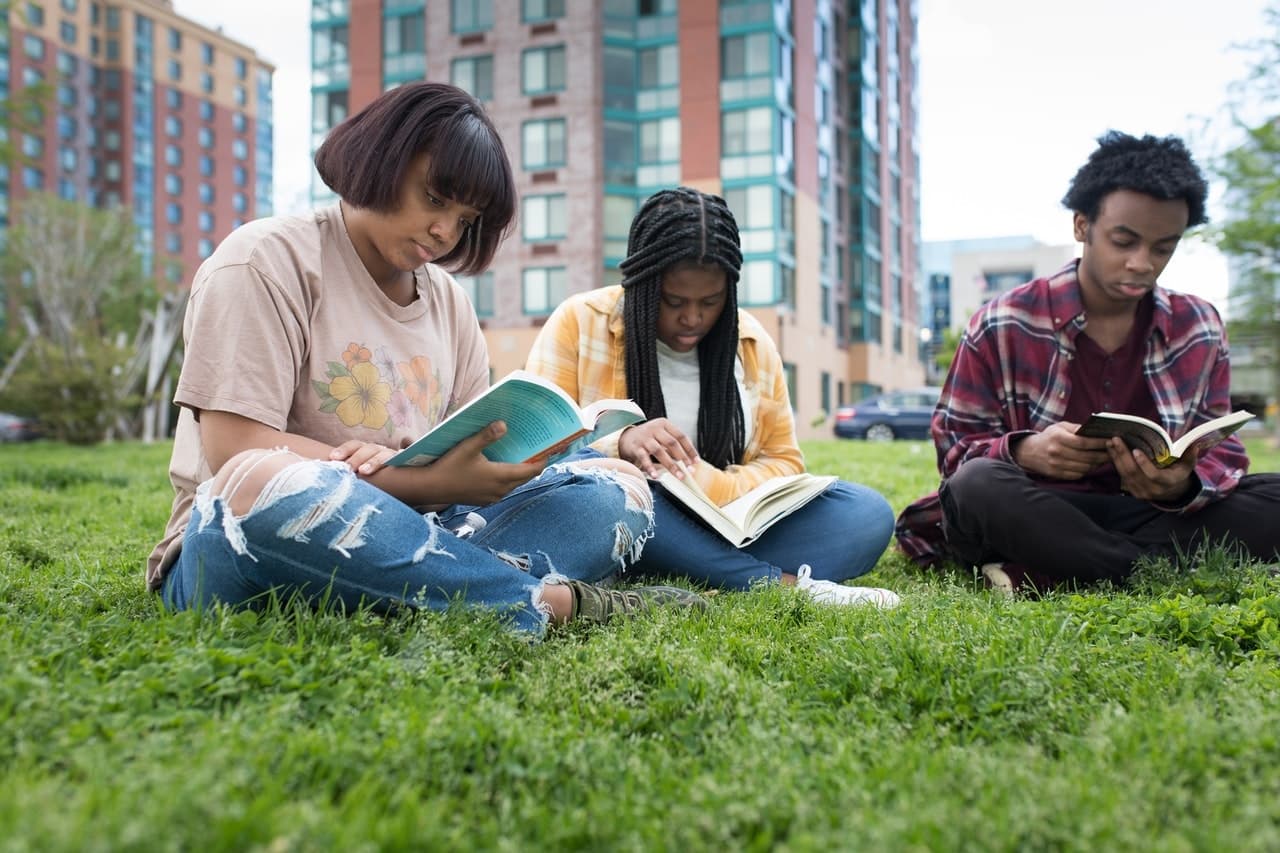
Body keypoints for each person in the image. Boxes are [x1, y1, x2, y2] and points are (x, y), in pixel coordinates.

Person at [146, 83, 707, 635]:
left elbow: (465, 453)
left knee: (614, 486)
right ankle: (541, 603)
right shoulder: (264, 262)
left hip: (417, 532)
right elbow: (233, 449)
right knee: (262, 480)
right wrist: (413, 484)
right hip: (242, 547)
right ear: (380, 162)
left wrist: (508, 466)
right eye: (434, 199)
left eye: (465, 219)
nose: (444, 232)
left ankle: (432, 591)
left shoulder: (448, 304)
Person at [896, 131, 1280, 592]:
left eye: (1163, 248)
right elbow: (955, 451)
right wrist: (1024, 451)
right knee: (977, 486)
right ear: (1082, 227)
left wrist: (1180, 485)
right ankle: (1153, 570)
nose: (1142, 263)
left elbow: (1223, 453)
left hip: (1152, 512)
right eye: (1124, 241)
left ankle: (1055, 573)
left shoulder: (1198, 323)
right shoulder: (1002, 321)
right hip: (1036, 506)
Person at [525, 186, 900, 608]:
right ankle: (769, 582)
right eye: (674, 301)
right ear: (644, 285)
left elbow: (785, 461)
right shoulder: (580, 322)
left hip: (726, 519)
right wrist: (621, 443)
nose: (693, 318)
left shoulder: (751, 342)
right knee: (612, 494)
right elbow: (537, 452)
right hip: (618, 510)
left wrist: (709, 484)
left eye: (711, 301)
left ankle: (676, 564)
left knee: (866, 515)